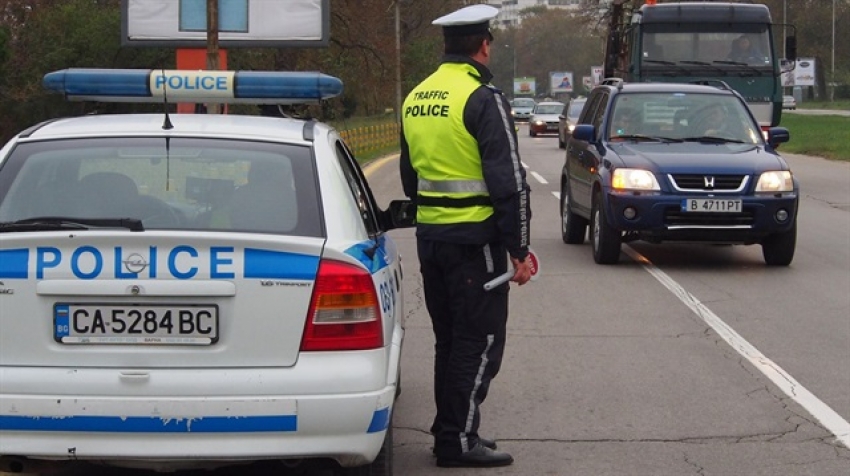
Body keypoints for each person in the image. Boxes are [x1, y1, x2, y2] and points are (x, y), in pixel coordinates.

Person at [398, 3, 532, 469]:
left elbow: (409, 177)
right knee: (480, 342)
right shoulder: (482, 97)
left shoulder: (416, 97)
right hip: (477, 244)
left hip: (432, 239)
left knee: (450, 340)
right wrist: (519, 249)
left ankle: (451, 431)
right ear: (483, 45)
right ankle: (457, 442)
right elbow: (509, 180)